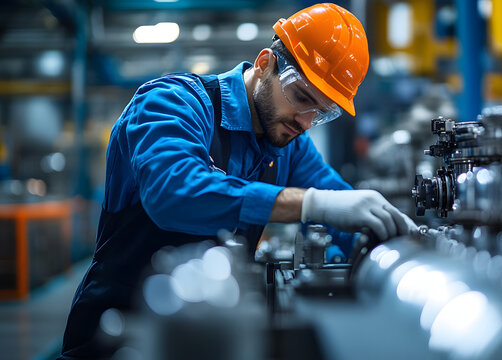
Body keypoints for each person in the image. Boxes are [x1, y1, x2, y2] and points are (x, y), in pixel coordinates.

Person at [59, 3, 416, 359]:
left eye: (320, 114)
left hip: (216, 336)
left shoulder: (289, 144)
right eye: (302, 96)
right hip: (117, 336)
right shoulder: (172, 103)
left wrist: (401, 244)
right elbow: (174, 193)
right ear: (264, 64)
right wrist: (309, 204)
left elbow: (342, 207)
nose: (305, 122)